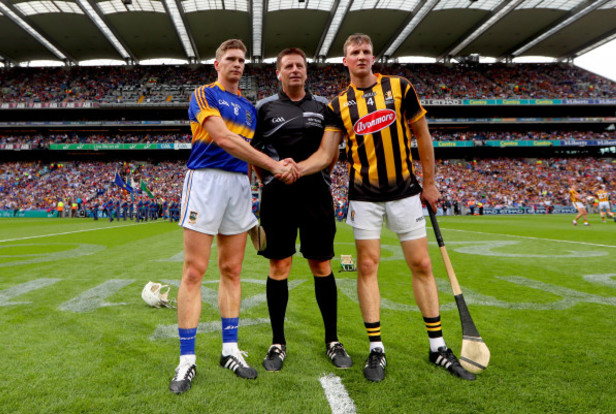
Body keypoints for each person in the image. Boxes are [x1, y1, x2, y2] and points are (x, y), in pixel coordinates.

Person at [296, 33, 475, 382]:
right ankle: (376, 348)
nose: (360, 56)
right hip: (364, 197)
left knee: (421, 264)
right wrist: (293, 168)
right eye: (353, 53)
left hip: (406, 192)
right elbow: (325, 155)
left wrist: (431, 182)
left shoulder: (400, 87)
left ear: (372, 56)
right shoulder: (337, 105)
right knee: (366, 266)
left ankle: (437, 345)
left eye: (365, 51)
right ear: (344, 61)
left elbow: (422, 134)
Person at [169, 38, 298, 395]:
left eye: (242, 60)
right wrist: (274, 165)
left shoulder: (249, 108)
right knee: (194, 270)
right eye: (231, 58)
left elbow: (250, 153)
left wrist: (268, 183)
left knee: (232, 270)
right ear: (217, 63)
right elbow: (224, 139)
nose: (237, 64)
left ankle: (229, 350)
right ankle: (187, 359)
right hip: (206, 182)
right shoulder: (203, 95)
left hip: (239, 187)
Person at [251, 47, 352, 372]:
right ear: (278, 73)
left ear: (306, 72)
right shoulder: (263, 108)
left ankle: (332, 340)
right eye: (288, 66)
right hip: (277, 196)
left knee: (321, 265)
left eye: (300, 66)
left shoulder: (324, 107)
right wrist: (274, 176)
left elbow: (330, 153)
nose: (295, 70)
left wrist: (298, 170)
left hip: (316, 194)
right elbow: (253, 154)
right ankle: (277, 342)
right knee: (278, 266)